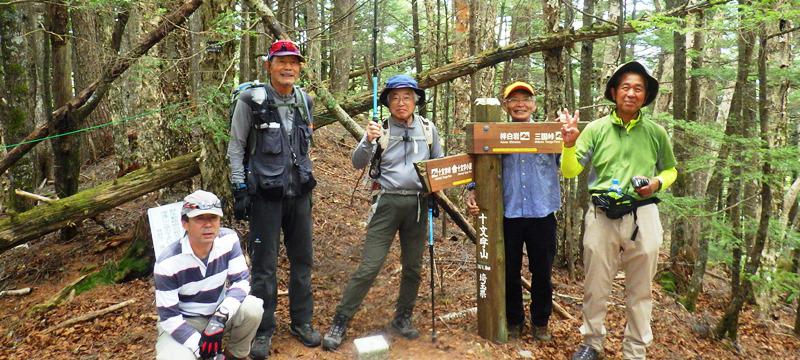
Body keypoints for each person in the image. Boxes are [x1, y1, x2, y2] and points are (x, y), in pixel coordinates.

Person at [560, 61, 678, 360]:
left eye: (638, 88)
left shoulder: (656, 133)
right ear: (614, 92)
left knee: (641, 289)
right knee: (595, 284)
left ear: (645, 95)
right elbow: (571, 171)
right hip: (601, 215)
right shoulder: (596, 129)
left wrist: (656, 183)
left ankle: (635, 349)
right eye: (625, 87)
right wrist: (570, 144)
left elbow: (671, 169)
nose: (631, 93)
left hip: (644, 214)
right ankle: (591, 343)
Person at [321, 74, 444, 350]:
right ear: (387, 102)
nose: (402, 102)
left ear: (416, 100)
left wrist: (437, 194)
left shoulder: (428, 129)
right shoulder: (381, 129)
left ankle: (403, 317)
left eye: (407, 97)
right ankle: (340, 320)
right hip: (386, 202)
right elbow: (357, 162)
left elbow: (439, 164)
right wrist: (367, 139)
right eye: (395, 97)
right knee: (369, 266)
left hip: (418, 204)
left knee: (413, 267)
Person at [226, 39, 319, 359]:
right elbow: (236, 146)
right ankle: (263, 329)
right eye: (282, 61)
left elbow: (305, 145)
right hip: (265, 196)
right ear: (269, 65)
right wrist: (239, 188)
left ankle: (301, 322)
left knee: (303, 261)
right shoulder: (250, 101)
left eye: (294, 62)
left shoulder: (305, 101)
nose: (288, 67)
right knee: (264, 267)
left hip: (300, 195)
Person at [465, 81, 560, 341]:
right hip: (507, 215)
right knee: (508, 271)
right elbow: (477, 165)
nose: (520, 104)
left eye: (526, 99)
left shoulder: (548, 133)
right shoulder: (494, 135)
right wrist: (472, 189)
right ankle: (515, 321)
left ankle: (541, 322)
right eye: (514, 99)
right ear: (505, 105)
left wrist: (571, 139)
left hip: (543, 214)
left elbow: (570, 159)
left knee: (542, 272)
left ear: (534, 104)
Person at [154, 190, 263, 360]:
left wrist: (220, 318)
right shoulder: (167, 263)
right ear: (185, 223)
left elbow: (241, 281)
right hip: (184, 320)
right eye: (199, 219)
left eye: (213, 218)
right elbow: (169, 317)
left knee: (253, 307)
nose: (208, 225)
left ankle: (235, 355)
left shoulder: (228, 240)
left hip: (218, 312)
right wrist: (205, 351)